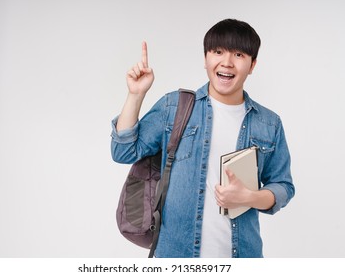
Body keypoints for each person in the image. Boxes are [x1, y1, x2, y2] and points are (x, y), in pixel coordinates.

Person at [110, 19, 295, 258]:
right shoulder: (174, 106)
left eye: (238, 54)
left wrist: (251, 197)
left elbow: (283, 185)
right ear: (206, 58)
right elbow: (122, 151)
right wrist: (135, 95)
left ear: (252, 64)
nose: (226, 62)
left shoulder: (269, 123)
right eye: (218, 52)